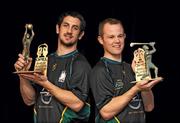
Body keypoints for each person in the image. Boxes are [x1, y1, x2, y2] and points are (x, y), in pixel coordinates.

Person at [14, 11, 91, 123]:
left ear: (80, 35)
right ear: (57, 29)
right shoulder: (44, 60)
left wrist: (45, 84)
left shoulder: (81, 64)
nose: (69, 31)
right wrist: (23, 75)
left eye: (75, 28)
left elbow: (77, 104)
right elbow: (30, 100)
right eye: (66, 25)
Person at [90, 18, 162, 123]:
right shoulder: (99, 70)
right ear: (101, 40)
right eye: (111, 37)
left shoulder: (131, 68)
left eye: (120, 36)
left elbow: (149, 107)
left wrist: (145, 85)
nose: (117, 41)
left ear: (124, 36)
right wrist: (136, 88)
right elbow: (106, 113)